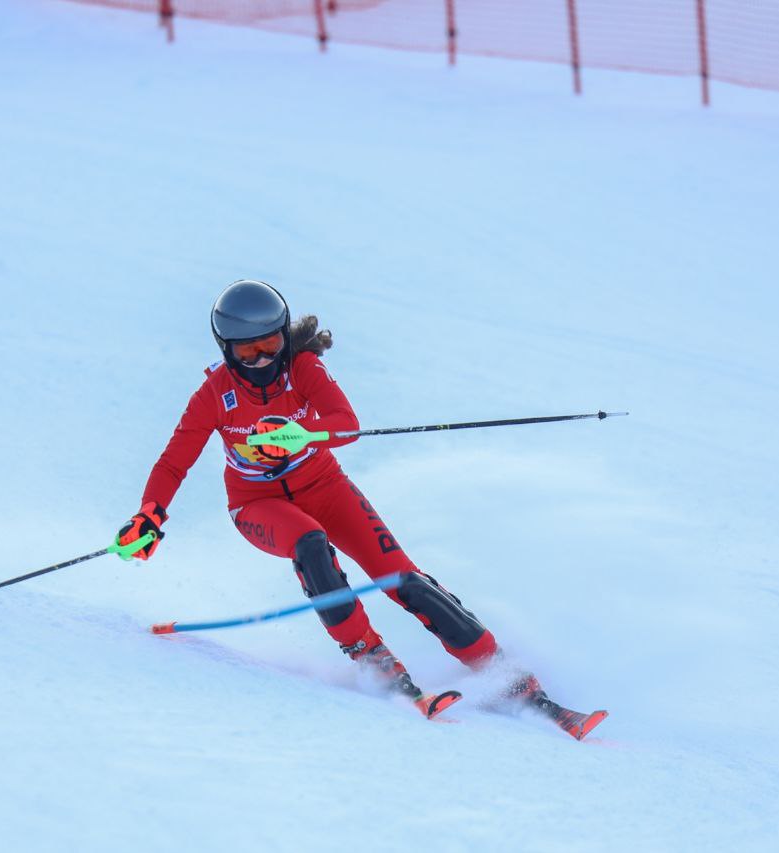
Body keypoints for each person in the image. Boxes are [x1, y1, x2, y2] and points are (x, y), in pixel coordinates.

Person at [116, 280, 606, 737]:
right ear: (227, 349)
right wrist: (150, 514)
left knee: (403, 578)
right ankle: (374, 659)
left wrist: (299, 435)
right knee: (310, 544)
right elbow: (174, 459)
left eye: (271, 344)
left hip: (326, 486)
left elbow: (345, 425)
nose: (264, 358)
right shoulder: (214, 395)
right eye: (249, 350)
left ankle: (513, 681)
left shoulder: (302, 368)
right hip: (258, 504)